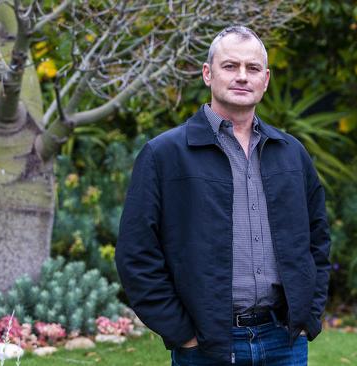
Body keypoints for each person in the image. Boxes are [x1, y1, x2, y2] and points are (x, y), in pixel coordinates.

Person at [115, 25, 331, 365]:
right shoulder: (165, 154)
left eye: (253, 68)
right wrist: (181, 333)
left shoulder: (291, 153)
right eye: (230, 66)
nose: (242, 76)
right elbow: (136, 253)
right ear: (207, 73)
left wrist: (309, 313)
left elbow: (318, 240)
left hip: (283, 342)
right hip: (205, 345)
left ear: (266, 79)